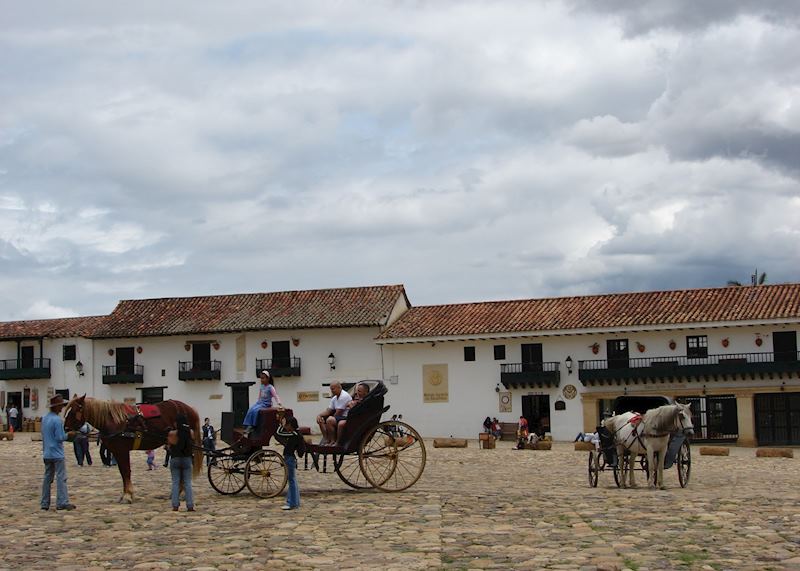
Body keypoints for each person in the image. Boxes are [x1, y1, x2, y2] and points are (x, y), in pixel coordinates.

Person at [40, 395, 76, 511]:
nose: (62, 408)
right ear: (57, 407)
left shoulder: (44, 418)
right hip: (57, 453)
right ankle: (62, 502)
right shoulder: (57, 420)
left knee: (47, 478)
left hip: (47, 452)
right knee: (61, 477)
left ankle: (45, 503)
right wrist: (69, 435)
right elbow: (60, 437)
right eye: (61, 406)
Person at [275, 415, 304, 511]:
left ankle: (291, 503)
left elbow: (279, 433)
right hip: (290, 458)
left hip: (290, 458)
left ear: (290, 425)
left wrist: (281, 425)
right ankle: (295, 502)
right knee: (292, 480)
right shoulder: (296, 433)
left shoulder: (293, 434)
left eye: (286, 425)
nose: (285, 427)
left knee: (291, 481)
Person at [242, 371, 283, 437]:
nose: (262, 380)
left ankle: (253, 425)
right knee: (251, 409)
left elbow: (275, 395)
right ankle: (247, 425)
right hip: (260, 403)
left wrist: (279, 403)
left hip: (266, 404)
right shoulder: (261, 386)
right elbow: (260, 395)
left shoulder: (270, 387)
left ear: (268, 379)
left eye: (263, 378)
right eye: (261, 378)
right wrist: (257, 402)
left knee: (256, 411)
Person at [168, 413, 195, 512]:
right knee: (187, 483)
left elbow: (169, 447)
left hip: (175, 459)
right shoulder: (190, 432)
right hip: (186, 459)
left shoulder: (171, 434)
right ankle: (190, 505)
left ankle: (175, 505)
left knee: (175, 482)